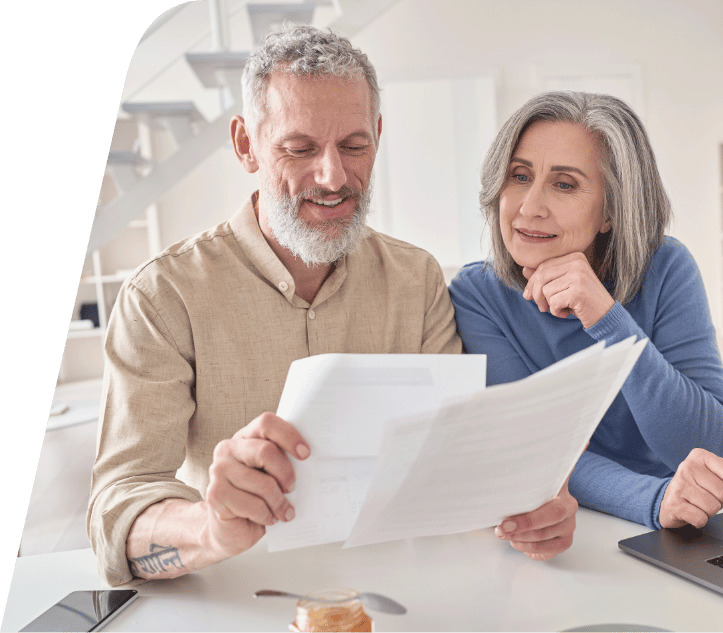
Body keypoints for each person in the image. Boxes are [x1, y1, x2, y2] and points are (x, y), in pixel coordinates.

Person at [87, 26, 571, 587]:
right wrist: (209, 528)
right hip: (237, 598)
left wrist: (530, 500)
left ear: (379, 136)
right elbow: (118, 507)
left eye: (354, 145)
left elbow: (457, 458)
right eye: (299, 148)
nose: (334, 177)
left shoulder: (417, 280)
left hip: (403, 594)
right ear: (245, 145)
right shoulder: (163, 296)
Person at [448, 91, 723, 536]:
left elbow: (713, 445)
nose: (529, 206)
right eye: (519, 176)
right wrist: (653, 500)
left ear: (610, 210)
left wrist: (608, 320)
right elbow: (533, 448)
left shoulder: (667, 268)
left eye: (565, 184)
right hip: (560, 523)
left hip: (674, 524)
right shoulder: (477, 294)